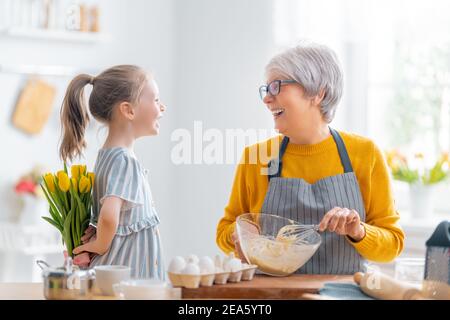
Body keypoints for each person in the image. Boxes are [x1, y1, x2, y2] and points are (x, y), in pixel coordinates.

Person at [216, 42, 405, 274]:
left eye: (276, 87)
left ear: (318, 93)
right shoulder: (255, 157)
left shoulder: (365, 154)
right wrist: (240, 234)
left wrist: (359, 231)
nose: (267, 99)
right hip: (272, 296)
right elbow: (224, 231)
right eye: (266, 90)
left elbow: (392, 245)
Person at [59, 65, 166, 279]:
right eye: (155, 100)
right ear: (128, 110)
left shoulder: (107, 155)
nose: (162, 107)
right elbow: (108, 217)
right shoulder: (125, 160)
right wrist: (99, 245)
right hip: (127, 273)